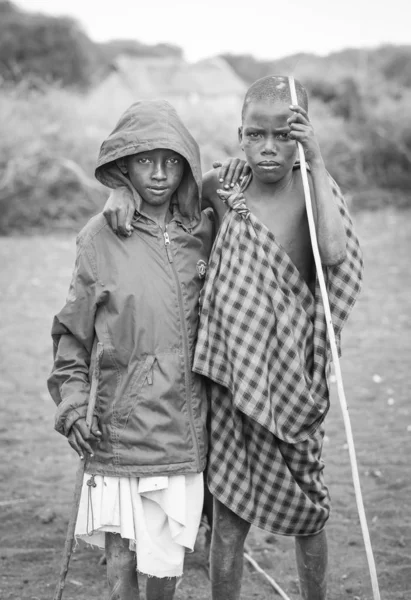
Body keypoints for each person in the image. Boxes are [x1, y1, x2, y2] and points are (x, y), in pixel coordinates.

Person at [103, 76, 363, 600]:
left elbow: (333, 255)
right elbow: (164, 192)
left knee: (310, 511)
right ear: (240, 135)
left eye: (285, 135)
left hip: (293, 382)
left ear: (303, 136)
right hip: (231, 382)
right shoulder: (224, 190)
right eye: (256, 134)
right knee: (229, 517)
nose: (270, 148)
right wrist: (118, 190)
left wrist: (315, 161)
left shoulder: (314, 191)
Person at [47, 99, 246, 600]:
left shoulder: (203, 232)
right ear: (123, 166)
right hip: (114, 429)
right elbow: (73, 333)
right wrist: (72, 403)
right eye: (143, 161)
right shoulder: (99, 237)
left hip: (184, 432)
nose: (158, 174)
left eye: (171, 161)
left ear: (186, 166)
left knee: (164, 569)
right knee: (121, 568)